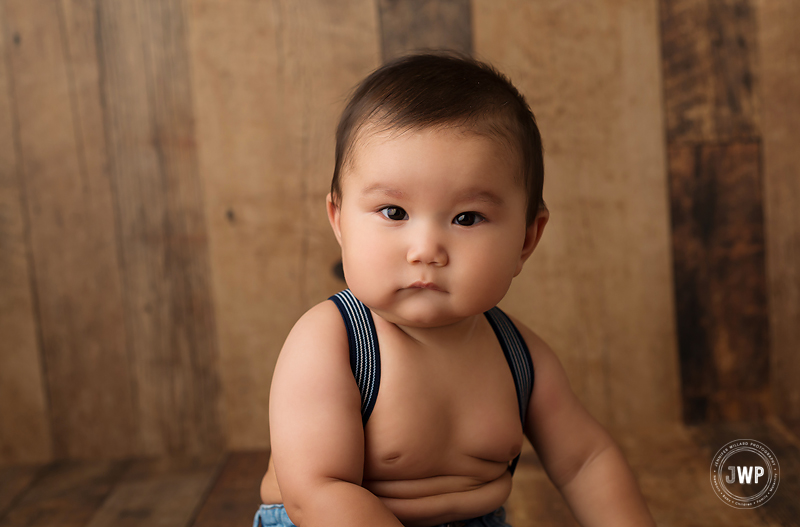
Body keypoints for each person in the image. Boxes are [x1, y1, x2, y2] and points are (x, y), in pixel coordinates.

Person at [256, 53, 655, 527]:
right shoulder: (333, 342)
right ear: (339, 219)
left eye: (466, 218)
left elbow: (586, 461)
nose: (426, 250)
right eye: (394, 212)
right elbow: (317, 492)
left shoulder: (520, 356)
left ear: (527, 239)